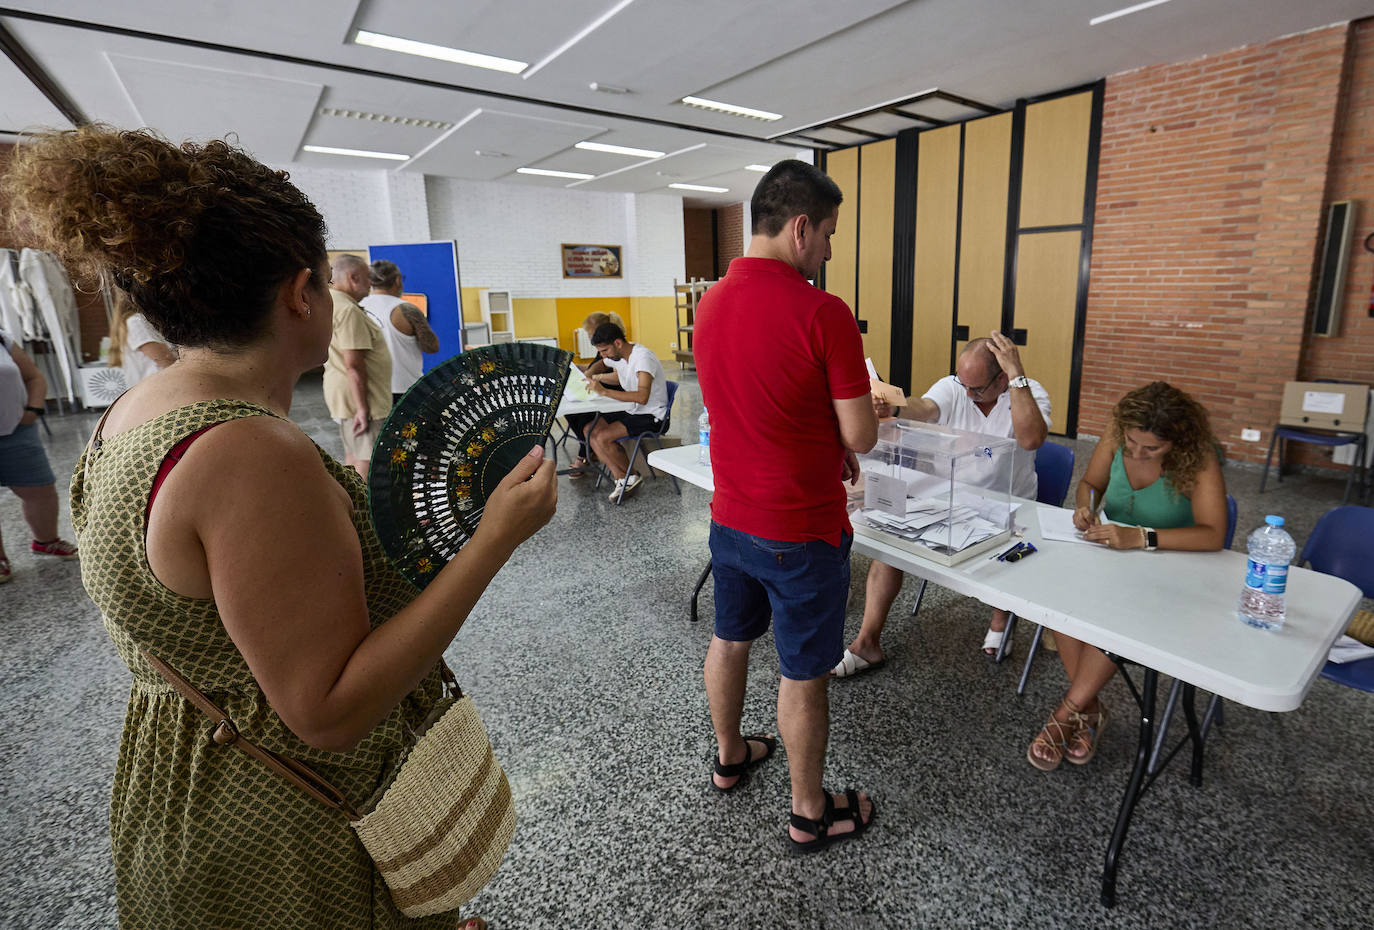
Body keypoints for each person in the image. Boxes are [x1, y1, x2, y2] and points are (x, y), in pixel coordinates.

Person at [3, 126, 556, 928]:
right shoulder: (248, 450)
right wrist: (495, 538)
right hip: (283, 822)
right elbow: (326, 711)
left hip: (188, 770)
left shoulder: (141, 407)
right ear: (302, 294)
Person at [694, 159, 878, 852]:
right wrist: (843, 437)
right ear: (800, 228)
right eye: (828, 233)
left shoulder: (710, 303)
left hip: (731, 518)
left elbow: (756, 406)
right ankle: (809, 811)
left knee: (730, 639)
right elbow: (860, 430)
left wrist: (819, 437)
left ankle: (729, 754)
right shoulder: (822, 312)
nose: (830, 250)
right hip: (801, 530)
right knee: (803, 672)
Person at [1027, 381, 1227, 771]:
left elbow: (1213, 534)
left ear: (1178, 440)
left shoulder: (1199, 457)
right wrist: (1084, 508)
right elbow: (1090, 484)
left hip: (1172, 570)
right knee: (1057, 601)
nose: (1136, 452)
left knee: (1113, 617)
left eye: (1151, 449)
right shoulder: (1119, 432)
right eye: (1132, 443)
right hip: (1109, 555)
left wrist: (1142, 537)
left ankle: (1068, 712)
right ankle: (1091, 709)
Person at [833, 334, 1052, 675]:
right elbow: (927, 407)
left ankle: (999, 617)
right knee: (892, 545)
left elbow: (1031, 438)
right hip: (946, 494)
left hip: (1009, 505)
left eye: (976, 388)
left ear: (1003, 378)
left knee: (1006, 559)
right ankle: (867, 642)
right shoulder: (955, 387)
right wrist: (896, 406)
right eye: (963, 384)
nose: (967, 394)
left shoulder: (1029, 391)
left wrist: (1018, 376)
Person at [0, 328, 78, 583]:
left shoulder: (2, 338)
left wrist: (33, 409)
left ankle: (47, 541)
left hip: (16, 429)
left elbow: (34, 377)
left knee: (40, 490)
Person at [324, 253, 393, 479]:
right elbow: (354, 364)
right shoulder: (349, 311)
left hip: (346, 393)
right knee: (367, 459)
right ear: (353, 277)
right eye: (366, 277)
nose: (370, 283)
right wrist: (363, 409)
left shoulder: (333, 302)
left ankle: (354, 507)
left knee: (354, 454)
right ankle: (364, 511)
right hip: (363, 400)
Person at [585, 321, 668, 501]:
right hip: (634, 410)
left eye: (604, 350)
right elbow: (608, 367)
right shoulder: (620, 356)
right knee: (589, 429)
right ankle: (624, 478)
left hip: (652, 415)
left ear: (618, 343)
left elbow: (642, 397)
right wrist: (592, 373)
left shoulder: (642, 358)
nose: (602, 355)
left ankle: (629, 476)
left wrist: (604, 391)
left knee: (601, 437)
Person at [360, 260, 439, 405]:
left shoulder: (358, 306)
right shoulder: (407, 309)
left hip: (372, 387)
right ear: (397, 280)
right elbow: (432, 347)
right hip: (406, 387)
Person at [565, 310, 625, 477]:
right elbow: (597, 365)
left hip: (613, 397)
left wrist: (592, 374)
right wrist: (581, 368)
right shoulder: (604, 350)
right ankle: (587, 451)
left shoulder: (613, 350)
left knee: (582, 414)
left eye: (591, 334)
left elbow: (608, 372)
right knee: (572, 412)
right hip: (602, 393)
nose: (590, 339)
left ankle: (584, 454)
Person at [108, 293, 176, 388]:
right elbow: (164, 358)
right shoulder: (137, 321)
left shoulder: (134, 321)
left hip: (153, 385)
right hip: (159, 385)